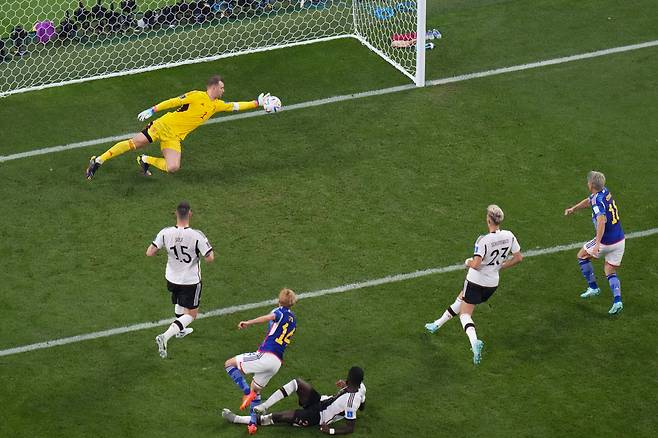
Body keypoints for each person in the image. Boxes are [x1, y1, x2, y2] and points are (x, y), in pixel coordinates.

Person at [85, 75, 270, 179]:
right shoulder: (197, 96)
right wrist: (152, 109)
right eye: (222, 88)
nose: (223, 91)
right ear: (213, 87)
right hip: (163, 126)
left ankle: (145, 159)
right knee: (135, 143)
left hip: (174, 138)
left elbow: (236, 106)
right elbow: (174, 101)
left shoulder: (217, 105)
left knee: (173, 167)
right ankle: (98, 160)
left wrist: (257, 102)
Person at [424, 205, 523, 365]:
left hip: (476, 280)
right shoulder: (509, 236)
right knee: (462, 297)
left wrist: (467, 261)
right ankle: (436, 324)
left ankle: (474, 342)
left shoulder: (483, 240)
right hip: (492, 283)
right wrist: (501, 266)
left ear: (488, 220)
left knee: (465, 314)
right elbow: (518, 258)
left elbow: (476, 264)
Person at [147, 201, 214, 358]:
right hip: (190, 280)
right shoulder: (197, 235)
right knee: (191, 314)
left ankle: (181, 331)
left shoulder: (165, 232)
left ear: (176, 214)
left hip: (171, 277)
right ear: (190, 214)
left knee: (179, 301)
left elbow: (150, 252)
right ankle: (165, 336)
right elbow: (210, 258)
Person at [224, 289, 297, 433]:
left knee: (229, 364)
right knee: (256, 389)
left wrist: (248, 322)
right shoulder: (293, 319)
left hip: (265, 356)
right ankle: (252, 424)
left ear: (279, 300)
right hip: (276, 363)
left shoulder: (279, 313)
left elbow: (267, 318)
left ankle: (246, 392)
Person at [222, 366, 366, 435]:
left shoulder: (351, 403)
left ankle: (237, 419)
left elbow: (350, 428)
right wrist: (345, 386)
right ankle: (265, 405)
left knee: (278, 417)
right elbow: (363, 404)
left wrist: (331, 431)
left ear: (351, 378)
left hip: (317, 417)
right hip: (320, 401)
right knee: (297, 383)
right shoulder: (360, 388)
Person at [564, 171, 625, 314]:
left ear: (591, 185)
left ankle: (593, 287)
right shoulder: (604, 192)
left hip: (605, 242)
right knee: (609, 270)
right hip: (620, 241)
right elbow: (589, 200)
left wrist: (597, 243)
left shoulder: (598, 201)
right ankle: (617, 301)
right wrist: (574, 208)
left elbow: (601, 220)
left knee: (582, 256)